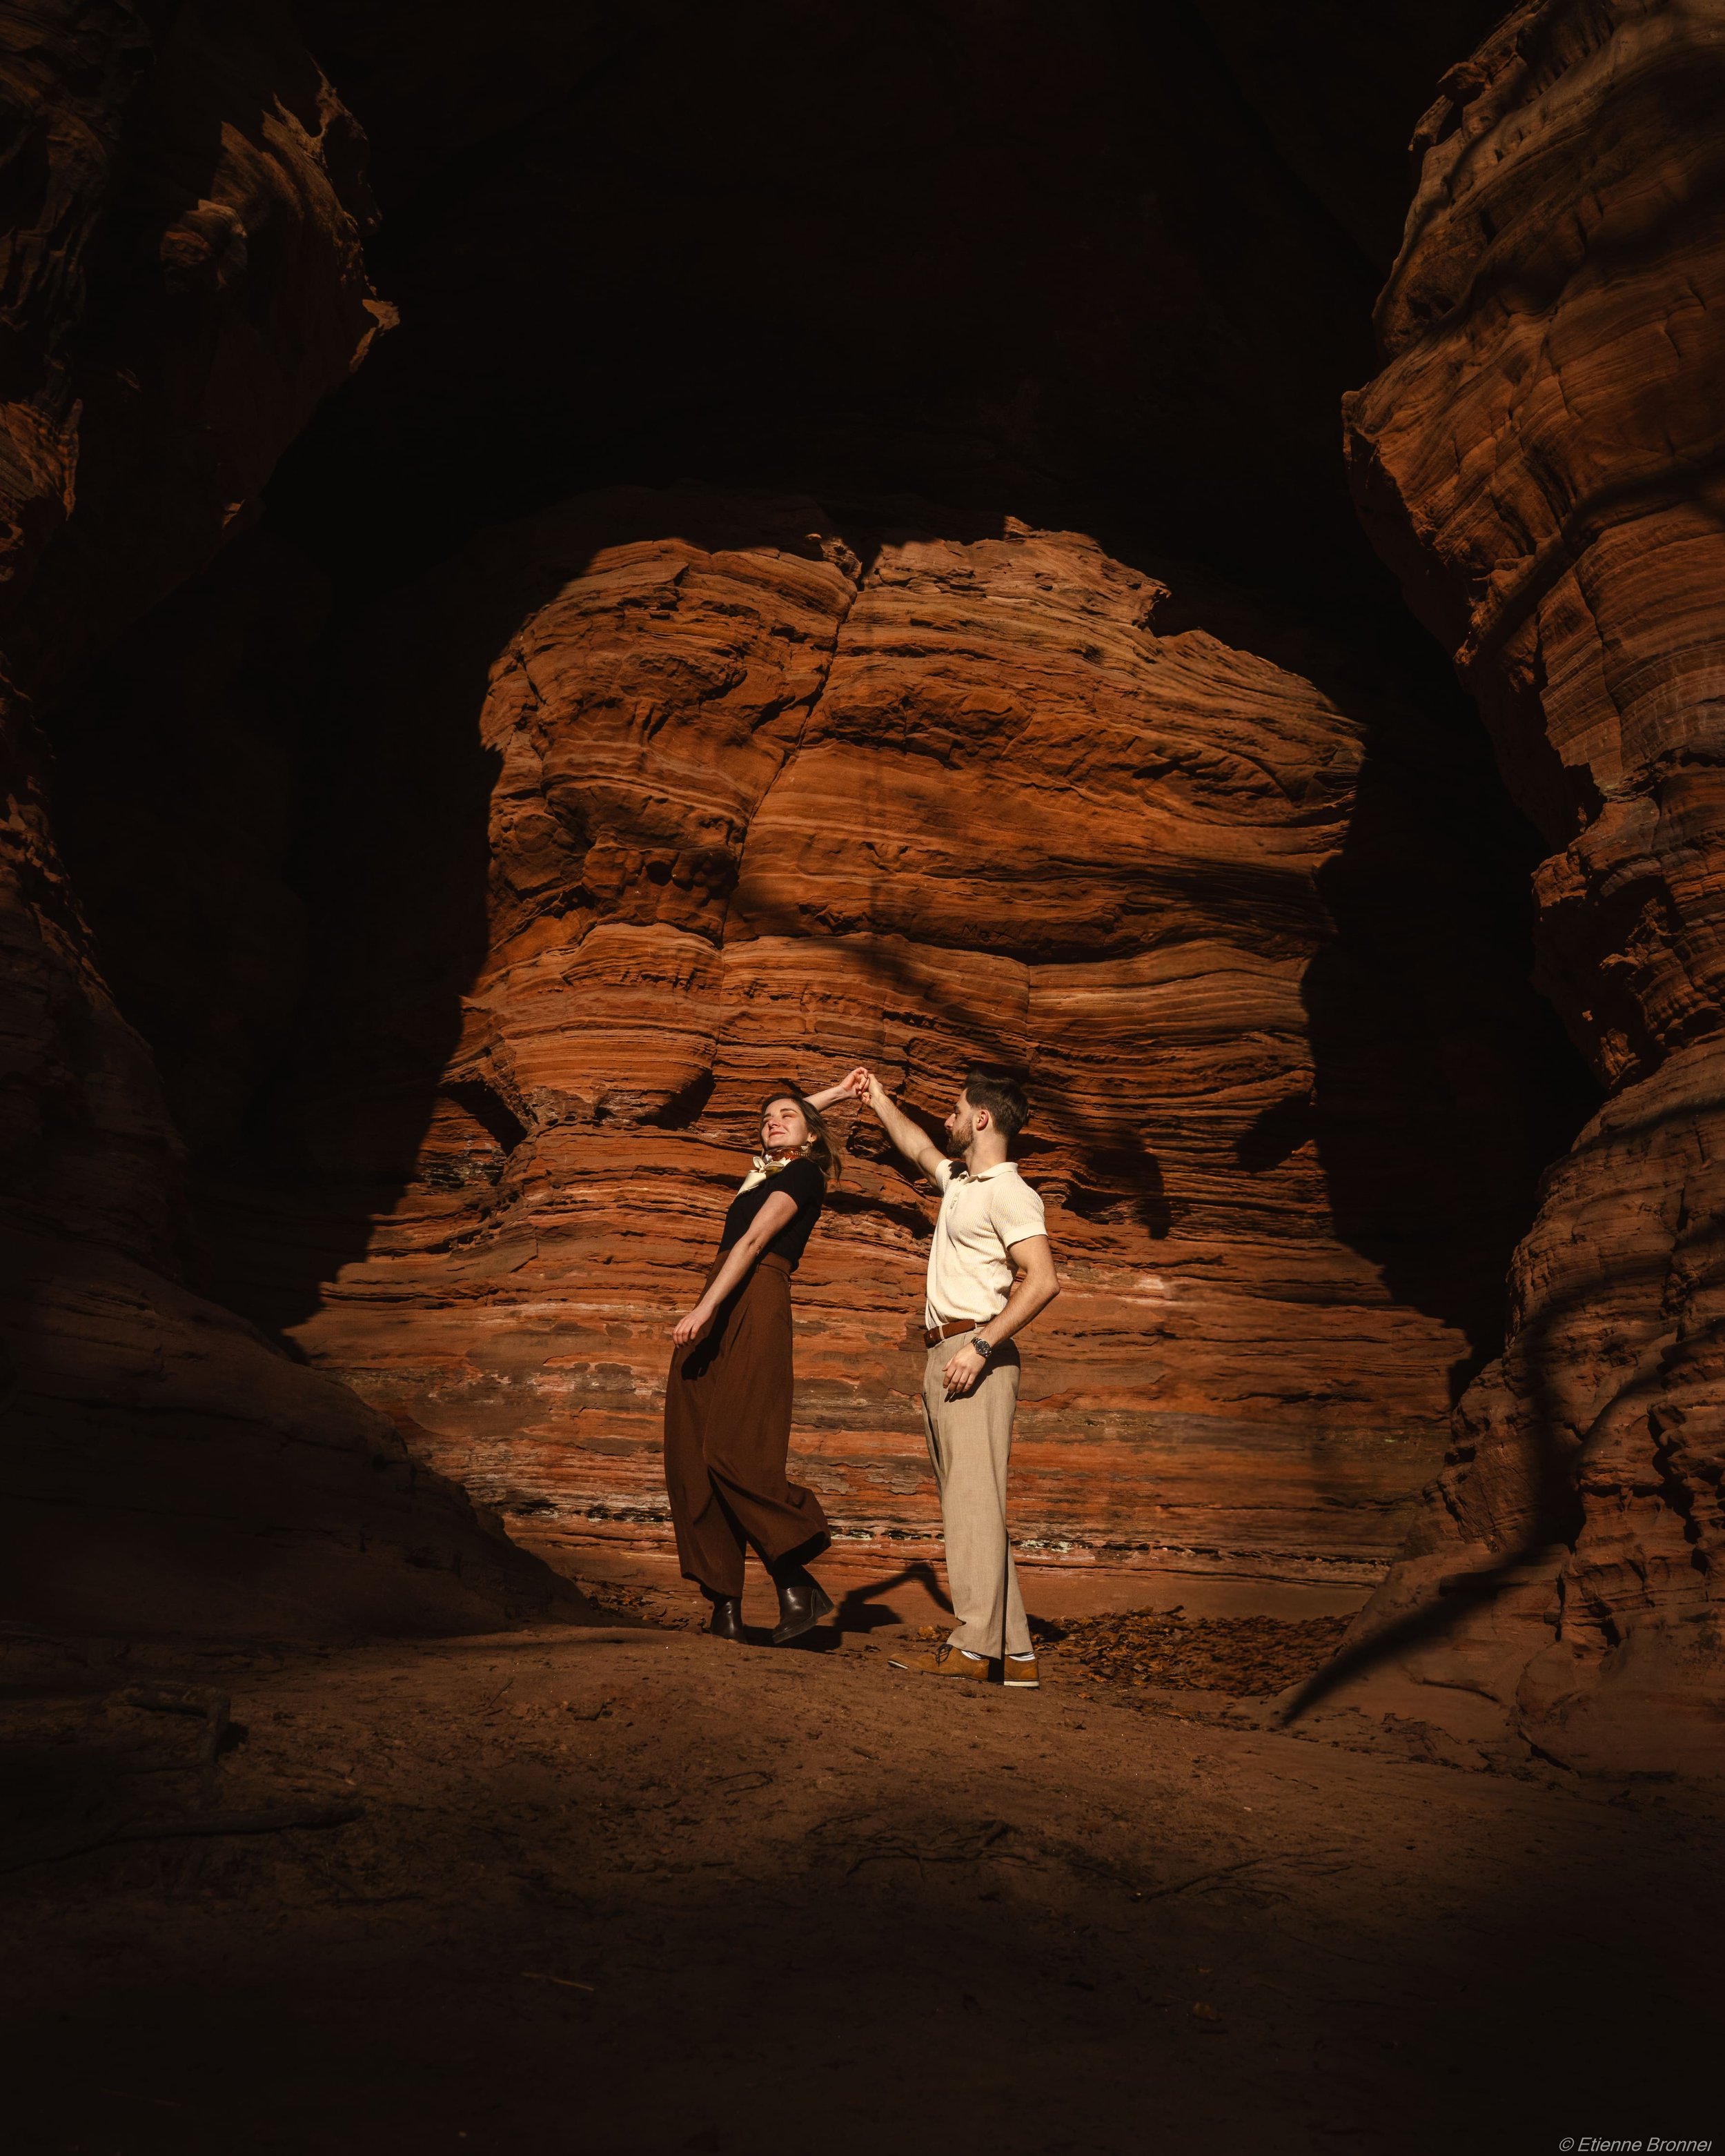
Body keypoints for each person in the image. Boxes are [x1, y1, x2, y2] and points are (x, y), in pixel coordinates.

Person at [860, 1066, 1059, 1687]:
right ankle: (1017, 1654)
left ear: (982, 1118)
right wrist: (877, 1100)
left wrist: (981, 1344)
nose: (945, 1120)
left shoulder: (1009, 1191)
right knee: (975, 1506)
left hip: (977, 1353)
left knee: (973, 1505)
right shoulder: (960, 1182)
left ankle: (973, 1648)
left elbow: (1044, 1279)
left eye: (953, 1110)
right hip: (946, 1351)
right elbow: (918, 1146)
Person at [663, 1069, 869, 1644]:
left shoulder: (804, 1171)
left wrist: (704, 1308)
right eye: (766, 1119)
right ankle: (724, 1605)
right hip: (723, 1289)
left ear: (809, 1137)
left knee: (734, 1447)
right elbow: (797, 1113)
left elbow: (754, 1243)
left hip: (753, 1292)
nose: (773, 1123)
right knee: (691, 1453)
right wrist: (838, 1091)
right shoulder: (763, 1172)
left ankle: (795, 1577)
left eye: (787, 1118)